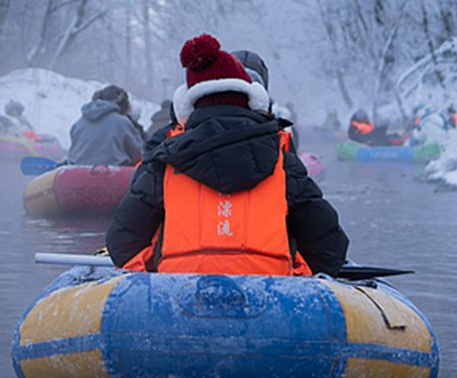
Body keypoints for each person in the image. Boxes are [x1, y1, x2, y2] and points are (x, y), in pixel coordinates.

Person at [106, 34, 349, 276]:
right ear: (253, 101)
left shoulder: (163, 163)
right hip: (273, 291)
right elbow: (330, 252)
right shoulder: (283, 160)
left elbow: (122, 246)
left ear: (187, 107)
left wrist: (157, 262)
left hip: (177, 288)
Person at [68, 84, 145, 166]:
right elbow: (137, 154)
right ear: (123, 104)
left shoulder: (79, 124)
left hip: (78, 173)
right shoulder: (122, 123)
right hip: (114, 174)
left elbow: (72, 155)